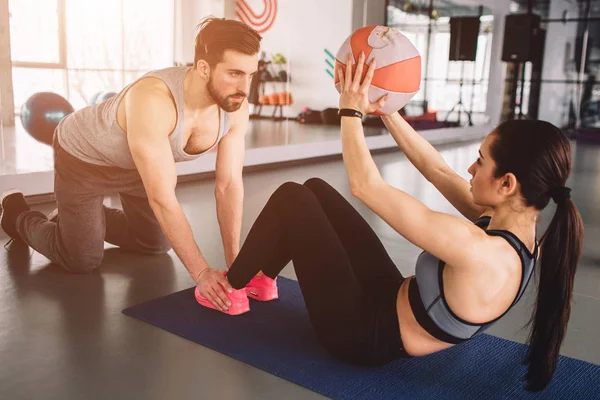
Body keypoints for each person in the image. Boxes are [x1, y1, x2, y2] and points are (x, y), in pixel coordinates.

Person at [196, 52, 584, 391]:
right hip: (389, 298)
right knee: (314, 187)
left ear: (507, 183)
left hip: (361, 335)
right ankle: (264, 281)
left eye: (480, 160)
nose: (470, 166)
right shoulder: (518, 228)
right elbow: (435, 167)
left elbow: (366, 186)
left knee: (292, 198)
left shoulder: (476, 248)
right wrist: (387, 111)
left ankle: (229, 287)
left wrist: (350, 110)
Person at [0, 17, 273, 311]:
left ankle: (70, 217)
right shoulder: (154, 99)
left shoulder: (235, 104)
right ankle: (16, 214)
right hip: (84, 158)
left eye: (250, 74)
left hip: (135, 167)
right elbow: (162, 197)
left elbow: (229, 184)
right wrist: (202, 273)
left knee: (155, 244)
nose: (245, 87)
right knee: (81, 259)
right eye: (234, 73)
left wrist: (237, 267)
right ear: (204, 67)